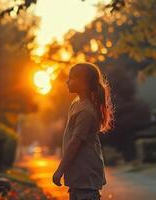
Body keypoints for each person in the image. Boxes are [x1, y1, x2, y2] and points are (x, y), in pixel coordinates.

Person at [52, 62, 114, 200]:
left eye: (72, 78)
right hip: (78, 175)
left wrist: (60, 170)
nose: (67, 81)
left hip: (86, 175)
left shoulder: (86, 111)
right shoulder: (76, 104)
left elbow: (75, 143)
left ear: (83, 82)